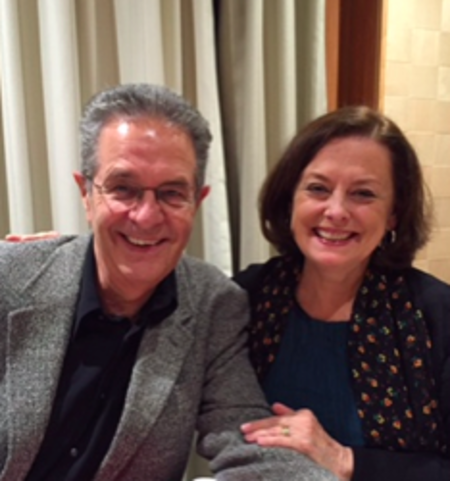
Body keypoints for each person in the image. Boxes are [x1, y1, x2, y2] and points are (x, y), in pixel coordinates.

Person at [0, 84, 336, 481]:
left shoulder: (214, 304)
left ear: (197, 201)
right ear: (86, 194)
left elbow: (245, 436)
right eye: (123, 188)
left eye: (172, 193)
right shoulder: (11, 277)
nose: (146, 216)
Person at [234, 106, 450, 481]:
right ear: (290, 199)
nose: (335, 211)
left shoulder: (437, 315)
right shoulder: (246, 296)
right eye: (318, 188)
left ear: (394, 214)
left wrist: (345, 460)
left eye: (363, 194)